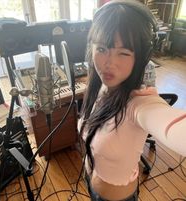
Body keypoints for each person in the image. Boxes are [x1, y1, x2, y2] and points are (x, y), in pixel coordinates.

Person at [78, 0, 186, 200]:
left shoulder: (140, 105)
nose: (109, 63)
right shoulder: (101, 86)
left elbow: (170, 124)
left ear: (141, 58)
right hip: (91, 181)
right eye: (101, 49)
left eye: (124, 53)